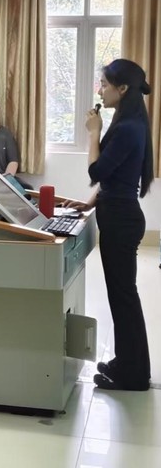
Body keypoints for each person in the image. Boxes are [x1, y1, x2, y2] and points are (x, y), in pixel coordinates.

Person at [68, 59, 153, 391]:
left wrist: (93, 133)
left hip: (121, 220)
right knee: (122, 297)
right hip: (118, 213)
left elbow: (97, 171)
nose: (100, 90)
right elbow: (113, 178)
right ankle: (127, 363)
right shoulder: (128, 121)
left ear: (123, 88)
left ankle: (134, 375)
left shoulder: (128, 127)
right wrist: (89, 202)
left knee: (124, 297)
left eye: (104, 84)